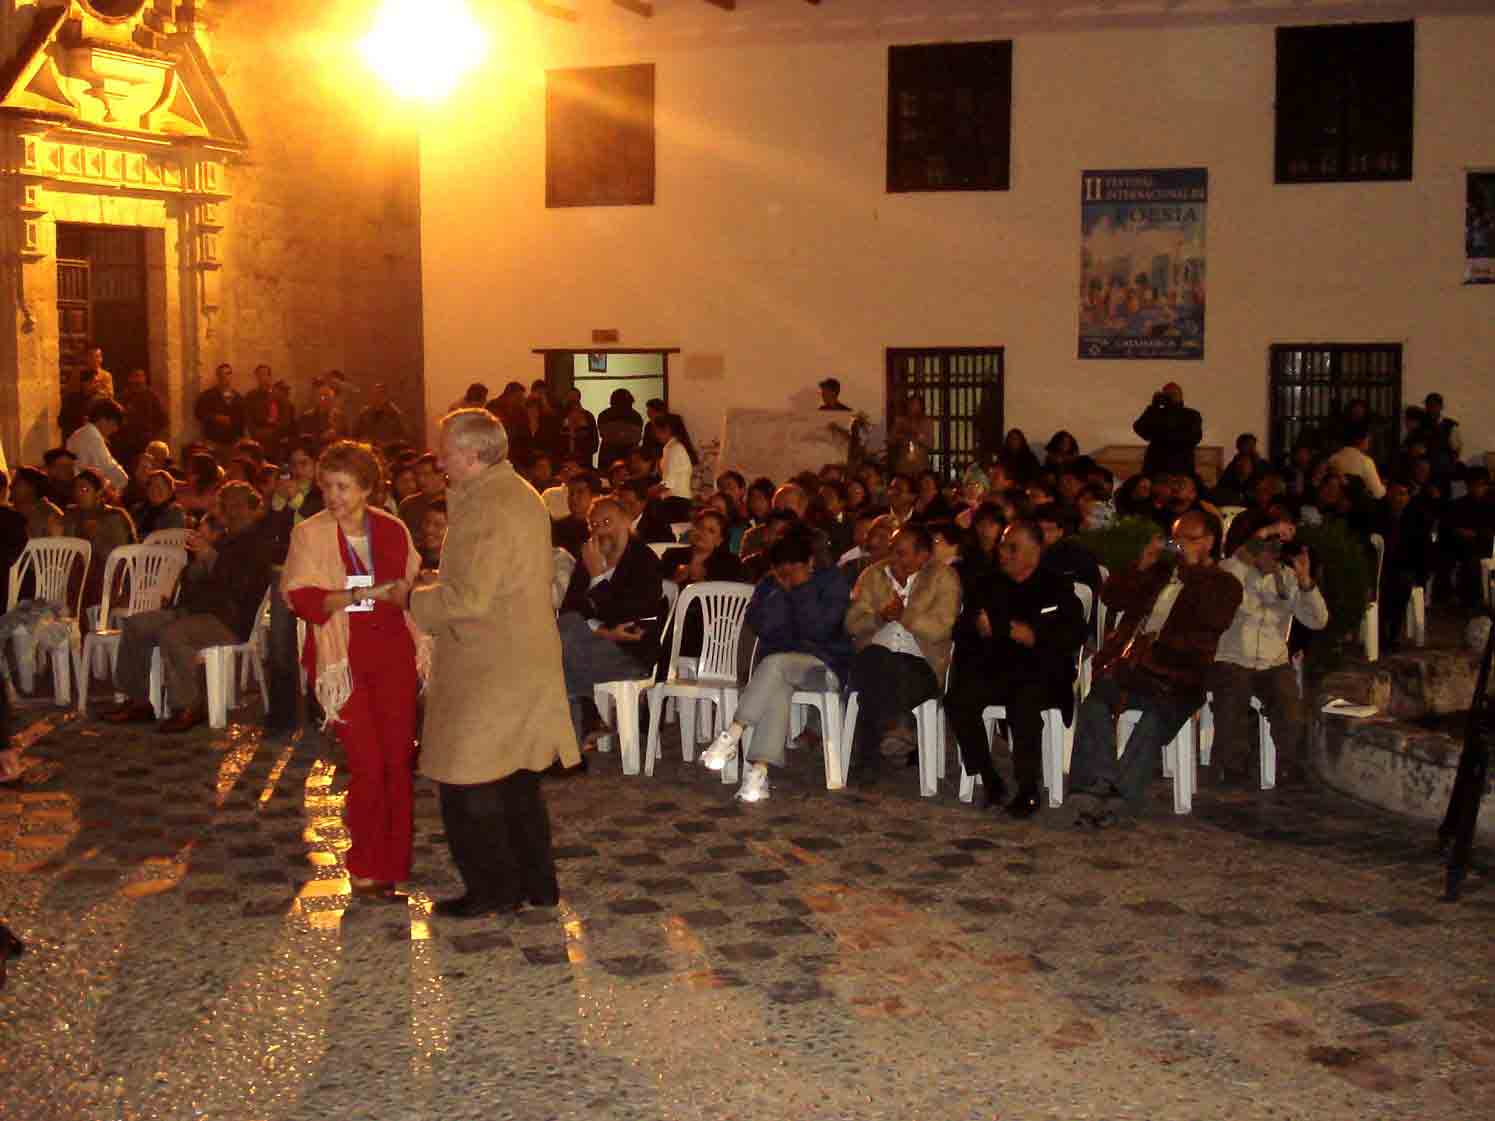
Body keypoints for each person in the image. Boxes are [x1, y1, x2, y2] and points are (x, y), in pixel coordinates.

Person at [402, 409, 580, 918]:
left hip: (491, 661)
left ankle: (493, 888)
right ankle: (537, 884)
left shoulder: (489, 508)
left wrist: (412, 600)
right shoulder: (515, 494)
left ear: (472, 454)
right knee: (516, 776)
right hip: (518, 653)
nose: (439, 460)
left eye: (446, 451)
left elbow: (471, 598)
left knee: (465, 776)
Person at [283, 441, 427, 901]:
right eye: (327, 487)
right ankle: (365, 865)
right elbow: (300, 597)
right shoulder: (310, 533)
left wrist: (398, 593)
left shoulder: (392, 529)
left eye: (343, 487)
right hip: (342, 659)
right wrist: (347, 596)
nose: (334, 497)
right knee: (365, 764)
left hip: (393, 652)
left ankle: (394, 862)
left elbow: (409, 587)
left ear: (367, 487)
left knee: (397, 762)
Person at [1066, 511, 1242, 825]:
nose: (1180, 546)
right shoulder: (1159, 574)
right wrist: (1140, 566)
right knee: (1096, 701)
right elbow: (1114, 597)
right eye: (1177, 538)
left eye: (1190, 539)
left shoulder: (1223, 583)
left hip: (1178, 676)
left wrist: (1192, 571)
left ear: (1210, 542)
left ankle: (1120, 798)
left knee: (1153, 720)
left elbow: (1213, 619)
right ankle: (1094, 785)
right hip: (1132, 667)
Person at [101, 482, 275, 732]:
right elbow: (193, 585)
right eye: (227, 506)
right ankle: (138, 701)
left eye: (236, 506)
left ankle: (188, 706)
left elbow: (239, 587)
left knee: (174, 634)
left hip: (230, 620)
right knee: (137, 625)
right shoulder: (225, 539)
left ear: (251, 508)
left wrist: (210, 558)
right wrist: (196, 563)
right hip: (197, 611)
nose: (231, 511)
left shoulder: (258, 542)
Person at [699, 529, 855, 801]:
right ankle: (757, 774)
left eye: (793, 569)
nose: (787, 576)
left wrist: (802, 589)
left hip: (824, 665)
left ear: (809, 563)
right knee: (777, 682)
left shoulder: (832, 582)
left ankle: (731, 735)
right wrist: (782, 593)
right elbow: (763, 628)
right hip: (778, 667)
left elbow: (820, 630)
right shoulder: (771, 585)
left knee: (774, 665)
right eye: (781, 571)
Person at [944, 522, 1087, 816]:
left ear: (1034, 552)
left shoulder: (1056, 586)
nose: (1004, 553)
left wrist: (1035, 636)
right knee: (958, 699)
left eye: (1012, 547)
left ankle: (1027, 788)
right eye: (1002, 546)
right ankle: (989, 776)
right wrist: (980, 628)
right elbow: (961, 631)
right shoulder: (987, 583)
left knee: (1024, 701)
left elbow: (1075, 633)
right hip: (995, 667)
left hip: (1040, 671)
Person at [1209, 514, 1328, 784]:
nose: (1272, 554)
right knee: (1232, 696)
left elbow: (1318, 620)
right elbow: (1238, 563)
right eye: (1266, 546)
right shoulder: (1232, 570)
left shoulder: (1286, 579)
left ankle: (1292, 764)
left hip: (1273, 661)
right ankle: (1231, 766)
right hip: (1232, 656)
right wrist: (1266, 532)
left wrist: (1306, 582)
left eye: (1276, 548)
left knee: (1289, 706)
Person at [843, 525, 960, 783]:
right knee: (876, 659)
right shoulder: (874, 575)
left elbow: (941, 628)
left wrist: (903, 616)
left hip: (922, 662)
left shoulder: (944, 577)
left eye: (901, 554)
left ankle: (868, 760)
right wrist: (880, 617)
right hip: (875, 655)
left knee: (874, 681)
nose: (893, 559)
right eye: (893, 552)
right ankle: (897, 725)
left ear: (923, 556)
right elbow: (852, 623)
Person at [556, 495, 665, 744]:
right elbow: (569, 609)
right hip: (591, 646)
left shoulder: (643, 560)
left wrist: (597, 578)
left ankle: (581, 724)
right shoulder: (590, 559)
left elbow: (631, 618)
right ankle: (581, 726)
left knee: (556, 653)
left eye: (607, 522)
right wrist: (602, 631)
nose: (600, 530)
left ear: (626, 522)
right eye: (593, 525)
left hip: (632, 653)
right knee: (563, 637)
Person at [62, 468, 136, 610]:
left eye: (84, 489)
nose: (78, 494)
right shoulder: (72, 514)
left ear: (99, 493)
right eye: (76, 489)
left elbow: (118, 556)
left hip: (111, 578)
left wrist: (93, 536)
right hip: (78, 575)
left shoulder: (113, 516)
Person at [657, 508, 745, 587]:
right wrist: (674, 580)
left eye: (711, 531)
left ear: (719, 541)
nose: (703, 532)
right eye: (700, 526)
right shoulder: (671, 555)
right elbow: (655, 589)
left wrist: (703, 582)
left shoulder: (730, 564)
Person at [1133, 382, 1203, 478]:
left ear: (1181, 396)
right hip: (1155, 467)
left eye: (1173, 394)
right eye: (1168, 395)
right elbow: (1139, 428)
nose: (1171, 397)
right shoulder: (1156, 413)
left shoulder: (1191, 415)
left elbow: (1194, 438)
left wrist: (1162, 433)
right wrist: (1153, 407)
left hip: (1180, 466)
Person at [63, 398, 129, 495]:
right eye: (113, 424)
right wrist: (124, 480)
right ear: (102, 419)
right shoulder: (93, 437)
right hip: (86, 489)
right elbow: (107, 466)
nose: (114, 430)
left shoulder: (77, 434)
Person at [115, 368, 168, 469]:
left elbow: (163, 419)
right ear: (129, 379)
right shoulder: (123, 397)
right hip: (127, 443)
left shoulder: (152, 396)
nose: (137, 380)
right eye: (134, 376)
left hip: (145, 441)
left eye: (140, 376)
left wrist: (152, 433)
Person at [1328, 426, 1386, 501]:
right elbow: (1378, 494)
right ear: (1359, 440)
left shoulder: (1333, 458)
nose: (1369, 440)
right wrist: (1384, 487)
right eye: (1367, 438)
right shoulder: (1366, 462)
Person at [195, 363, 246, 449]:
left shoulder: (238, 398)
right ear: (218, 376)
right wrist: (215, 417)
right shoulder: (207, 396)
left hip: (232, 442)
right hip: (213, 441)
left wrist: (241, 438)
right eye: (222, 374)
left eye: (228, 373)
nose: (225, 377)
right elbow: (199, 413)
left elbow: (242, 419)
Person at [398, 452, 446, 539]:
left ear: (440, 474)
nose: (421, 479)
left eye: (426, 474)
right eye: (418, 475)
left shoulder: (456, 502)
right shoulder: (407, 505)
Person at [653, 412, 697, 501]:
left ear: (667, 429)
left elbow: (668, 483)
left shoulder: (674, 448)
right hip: (675, 498)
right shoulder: (672, 447)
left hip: (676, 499)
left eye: (656, 430)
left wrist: (648, 492)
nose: (655, 434)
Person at [130, 469, 188, 538]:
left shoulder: (175, 512)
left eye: (160, 487)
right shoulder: (137, 509)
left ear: (169, 492)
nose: (155, 490)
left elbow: (166, 537)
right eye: (151, 486)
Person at [596, 388, 644, 470]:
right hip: (622, 452)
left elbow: (604, 434)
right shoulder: (636, 416)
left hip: (611, 452)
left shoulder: (604, 415)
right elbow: (637, 437)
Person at [9, 467, 62, 539]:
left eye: (16, 482)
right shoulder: (10, 513)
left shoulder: (49, 515)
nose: (11, 486)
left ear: (32, 487)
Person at [889, 395, 934, 477]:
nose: (913, 407)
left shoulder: (927, 422)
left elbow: (930, 444)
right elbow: (891, 440)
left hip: (921, 465)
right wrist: (901, 436)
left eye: (916, 404)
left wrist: (916, 433)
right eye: (911, 404)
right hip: (903, 465)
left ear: (921, 406)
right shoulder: (900, 421)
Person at [354, 382, 408, 447]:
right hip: (368, 451)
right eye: (375, 394)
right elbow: (356, 435)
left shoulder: (394, 415)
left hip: (387, 452)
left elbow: (403, 437)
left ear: (386, 396)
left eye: (380, 394)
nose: (377, 397)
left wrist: (388, 444)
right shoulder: (365, 414)